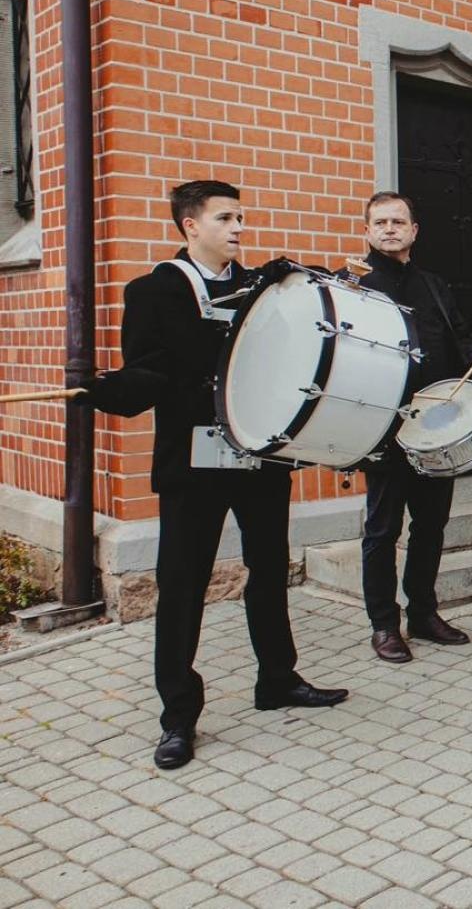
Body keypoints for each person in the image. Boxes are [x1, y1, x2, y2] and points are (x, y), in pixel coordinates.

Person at [83, 180, 348, 770]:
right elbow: (149, 374)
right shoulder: (154, 291)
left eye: (241, 218)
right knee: (182, 586)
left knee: (269, 571)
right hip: (194, 464)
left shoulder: (263, 290)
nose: (237, 228)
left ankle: (277, 680)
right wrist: (110, 392)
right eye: (225, 217)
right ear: (190, 226)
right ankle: (178, 715)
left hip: (258, 458)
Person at [357, 191, 472, 663]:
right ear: (367, 230)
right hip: (383, 427)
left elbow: (457, 336)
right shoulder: (358, 286)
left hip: (434, 426)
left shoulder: (433, 284)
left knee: (431, 524)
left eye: (398, 221)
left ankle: (424, 613)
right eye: (380, 222)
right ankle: (383, 624)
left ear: (414, 231)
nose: (389, 229)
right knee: (382, 530)